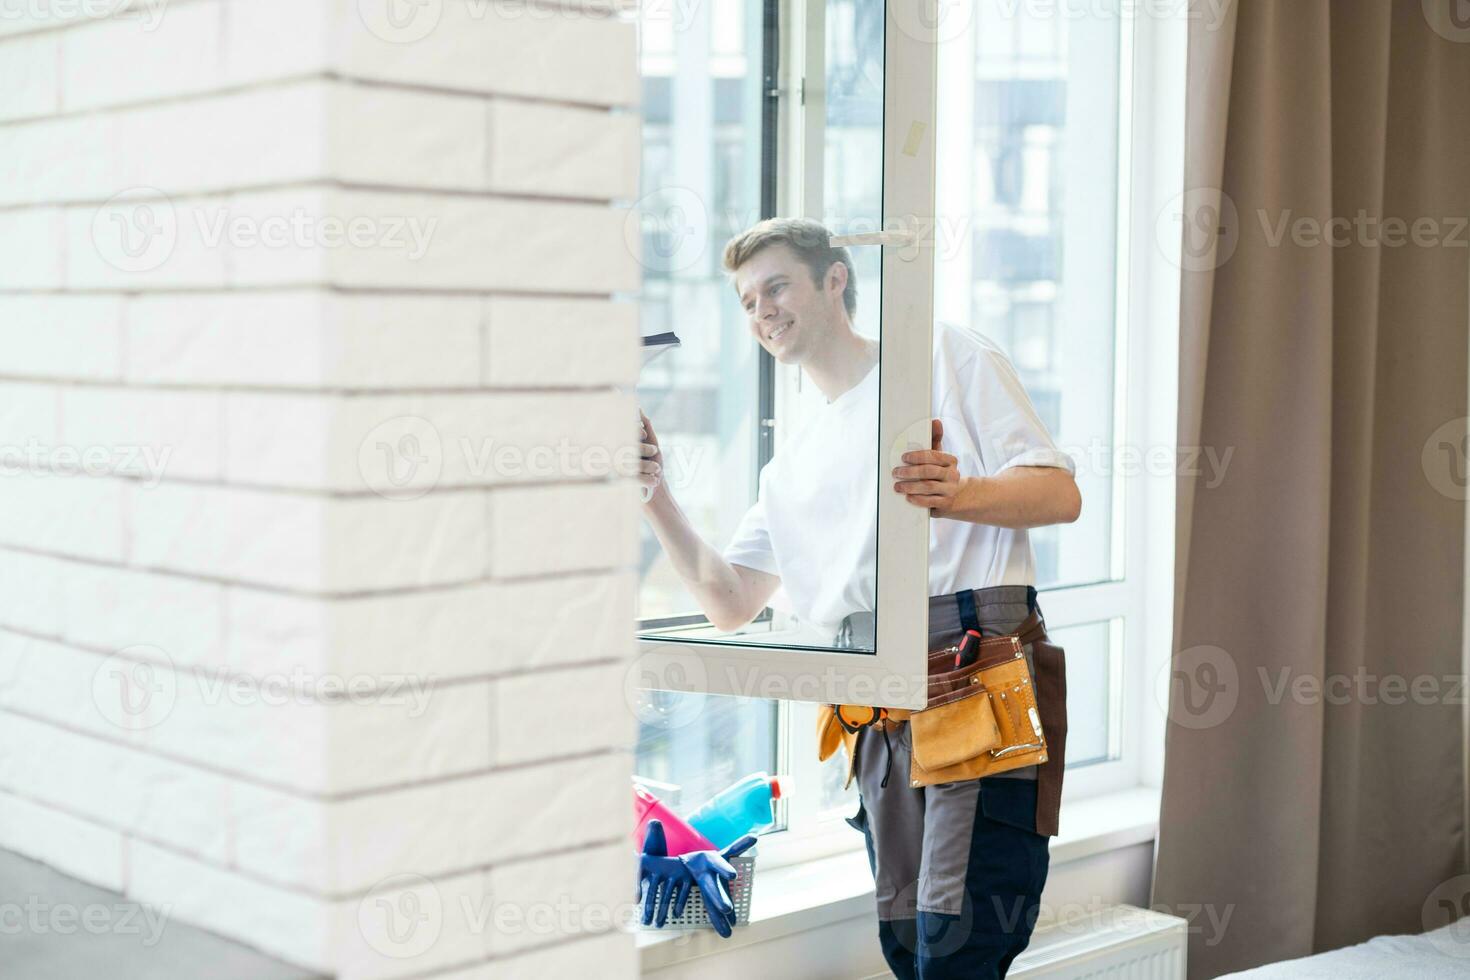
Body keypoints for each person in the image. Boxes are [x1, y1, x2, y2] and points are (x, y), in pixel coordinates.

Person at [638, 217, 1080, 979]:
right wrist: (653, 494)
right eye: (747, 301)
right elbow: (731, 602)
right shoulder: (795, 461)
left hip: (973, 672)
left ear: (834, 279)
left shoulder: (939, 357)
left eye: (776, 286)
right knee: (909, 944)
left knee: (961, 938)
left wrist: (963, 491)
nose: (762, 311)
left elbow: (1060, 492)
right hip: (876, 705)